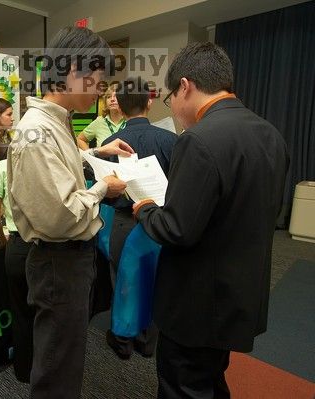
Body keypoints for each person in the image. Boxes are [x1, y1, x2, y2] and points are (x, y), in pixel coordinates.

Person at [132, 42, 289, 398]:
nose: (171, 107)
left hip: (197, 304)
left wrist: (145, 210)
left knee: (183, 387)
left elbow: (176, 229)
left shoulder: (198, 140)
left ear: (185, 86)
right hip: (239, 295)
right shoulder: (271, 135)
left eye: (170, 97)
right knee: (210, 381)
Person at [7, 26, 134, 398]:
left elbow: (62, 164)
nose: (100, 90)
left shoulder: (56, 122)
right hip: (57, 262)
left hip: (66, 262)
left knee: (65, 357)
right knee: (58, 369)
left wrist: (95, 155)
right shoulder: (36, 133)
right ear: (75, 70)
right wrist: (101, 188)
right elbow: (60, 214)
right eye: (97, 80)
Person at [101, 76, 177, 359]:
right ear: (150, 100)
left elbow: (104, 190)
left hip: (122, 222)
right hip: (160, 223)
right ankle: (148, 341)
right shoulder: (171, 140)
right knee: (157, 281)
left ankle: (122, 340)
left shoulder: (110, 144)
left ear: (118, 104)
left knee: (121, 279)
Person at [0, 145, 34, 383]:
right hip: (43, 245)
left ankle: (24, 370)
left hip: (17, 246)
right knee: (44, 312)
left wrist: (2, 241)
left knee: (21, 311)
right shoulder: (37, 165)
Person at [77, 82, 126, 149]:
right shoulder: (99, 121)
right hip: (102, 159)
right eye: (108, 97)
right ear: (105, 102)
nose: (112, 99)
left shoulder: (131, 120)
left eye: (116, 96)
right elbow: (80, 139)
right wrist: (91, 154)